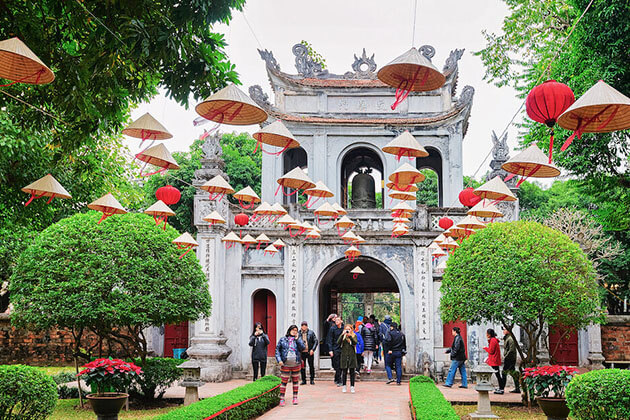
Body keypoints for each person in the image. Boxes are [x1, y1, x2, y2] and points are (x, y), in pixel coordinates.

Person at [275, 325, 306, 406]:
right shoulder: (283, 339)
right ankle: (282, 399)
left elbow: (303, 348)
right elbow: (277, 350)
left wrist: (298, 339)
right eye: (293, 330)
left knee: (295, 382)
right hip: (285, 364)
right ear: (289, 330)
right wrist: (279, 360)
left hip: (296, 364)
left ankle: (295, 398)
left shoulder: (298, 340)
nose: (294, 331)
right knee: (284, 382)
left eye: (296, 330)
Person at [337, 323, 358, 393]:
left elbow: (355, 343)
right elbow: (338, 342)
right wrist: (342, 334)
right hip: (344, 356)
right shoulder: (343, 336)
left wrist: (350, 337)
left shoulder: (354, 335)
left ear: (351, 329)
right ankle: (344, 386)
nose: (347, 331)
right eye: (346, 329)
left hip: (352, 356)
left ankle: (352, 386)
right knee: (344, 372)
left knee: (352, 372)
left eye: (349, 329)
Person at [483, 328, 504, 394]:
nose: (486, 335)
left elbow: (491, 351)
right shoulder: (493, 340)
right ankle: (501, 388)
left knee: (496, 374)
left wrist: (485, 348)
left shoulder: (493, 341)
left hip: (494, 360)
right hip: (494, 360)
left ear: (489, 334)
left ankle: (501, 388)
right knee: (497, 374)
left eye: (487, 334)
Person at [326, 315, 344, 386]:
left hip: (342, 349)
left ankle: (339, 380)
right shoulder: (332, 329)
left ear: (341, 321)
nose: (337, 321)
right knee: (336, 365)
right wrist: (330, 350)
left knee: (341, 365)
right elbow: (329, 340)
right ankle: (338, 378)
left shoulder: (344, 328)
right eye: (336, 320)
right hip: (335, 349)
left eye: (338, 320)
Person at [502, 327, 521, 393]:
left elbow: (511, 350)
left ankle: (502, 388)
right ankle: (517, 387)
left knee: (504, 373)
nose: (503, 331)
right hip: (510, 358)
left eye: (504, 329)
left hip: (510, 358)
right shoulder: (507, 338)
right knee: (512, 372)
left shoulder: (510, 339)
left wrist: (506, 356)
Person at [299, 321, 318, 385]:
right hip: (302, 353)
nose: (304, 327)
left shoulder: (311, 333)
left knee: (311, 366)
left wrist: (313, 349)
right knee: (302, 367)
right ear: (301, 326)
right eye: (302, 325)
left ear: (307, 326)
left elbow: (315, 341)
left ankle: (312, 380)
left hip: (309, 352)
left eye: (305, 325)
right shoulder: (298, 333)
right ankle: (303, 380)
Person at [379, 315, 393, 382]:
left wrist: (382, 340)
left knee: (385, 353)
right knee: (391, 353)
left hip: (385, 342)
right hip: (391, 341)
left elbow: (380, 333)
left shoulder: (382, 325)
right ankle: (390, 366)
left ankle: (387, 366)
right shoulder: (391, 324)